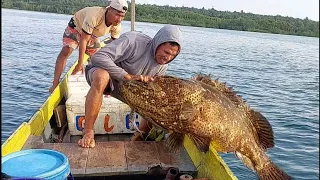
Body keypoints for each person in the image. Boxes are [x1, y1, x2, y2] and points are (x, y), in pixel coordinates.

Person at [78, 25, 182, 148]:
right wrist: (127, 76)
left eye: (172, 56)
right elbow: (98, 57)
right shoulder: (133, 41)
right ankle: (88, 131)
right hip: (108, 77)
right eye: (166, 52)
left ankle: (138, 138)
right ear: (157, 43)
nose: (167, 58)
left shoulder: (163, 66)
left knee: (158, 102)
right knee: (102, 77)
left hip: (129, 89)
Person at [49, 0, 128, 93]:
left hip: (93, 35)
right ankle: (55, 83)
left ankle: (97, 89)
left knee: (98, 59)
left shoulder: (116, 26)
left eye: (122, 16)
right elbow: (83, 40)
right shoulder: (95, 15)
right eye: (117, 15)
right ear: (109, 10)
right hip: (76, 27)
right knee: (67, 50)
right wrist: (80, 63)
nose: (119, 19)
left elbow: (114, 48)